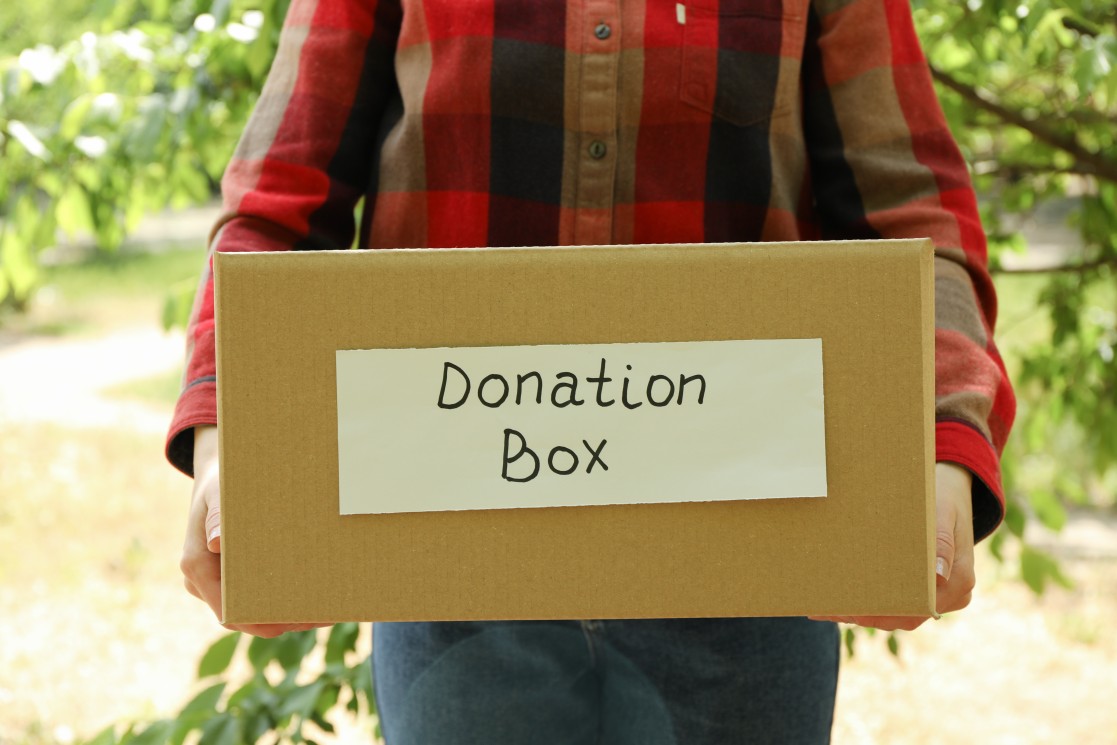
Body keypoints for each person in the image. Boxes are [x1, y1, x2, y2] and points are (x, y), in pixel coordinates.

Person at [172, 0, 1016, 741]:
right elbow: (274, 211)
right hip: (454, 567)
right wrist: (227, 433)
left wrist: (944, 435)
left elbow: (916, 216)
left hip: (750, 568)